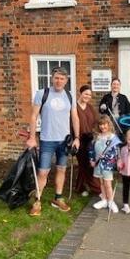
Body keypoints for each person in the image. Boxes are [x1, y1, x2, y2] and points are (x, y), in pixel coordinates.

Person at [26, 67, 80, 216]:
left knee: (62, 169)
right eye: (56, 78)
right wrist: (32, 137)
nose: (59, 81)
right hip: (47, 140)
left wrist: (77, 138)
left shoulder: (69, 96)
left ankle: (58, 197)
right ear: (52, 78)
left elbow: (75, 118)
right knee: (43, 172)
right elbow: (33, 116)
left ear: (66, 81)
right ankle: (37, 201)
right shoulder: (42, 94)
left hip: (65, 141)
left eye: (62, 79)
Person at [89, 115, 120, 213]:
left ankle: (111, 201)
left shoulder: (113, 137)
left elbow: (116, 152)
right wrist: (92, 160)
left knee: (107, 183)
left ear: (109, 125)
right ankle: (104, 200)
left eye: (104, 124)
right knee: (101, 183)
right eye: (100, 125)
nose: (102, 127)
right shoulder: (97, 136)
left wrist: (106, 157)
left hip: (107, 165)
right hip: (98, 164)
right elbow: (91, 149)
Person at [75, 85, 101, 196]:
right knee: (85, 163)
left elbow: (96, 122)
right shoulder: (73, 107)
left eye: (89, 95)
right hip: (79, 140)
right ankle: (97, 188)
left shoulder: (90, 108)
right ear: (80, 93)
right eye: (85, 94)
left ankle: (80, 187)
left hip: (90, 140)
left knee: (85, 164)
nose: (87, 96)